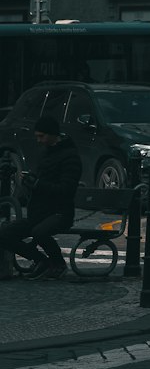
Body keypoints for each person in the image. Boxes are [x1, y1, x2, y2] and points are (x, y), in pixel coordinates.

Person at [0, 114, 82, 280]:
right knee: (4, 234)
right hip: (39, 213)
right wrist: (30, 183)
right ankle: (41, 261)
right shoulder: (46, 153)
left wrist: (38, 184)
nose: (39, 140)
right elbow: (41, 181)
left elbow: (66, 189)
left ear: (53, 134)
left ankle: (58, 263)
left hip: (60, 213)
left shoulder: (70, 157)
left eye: (41, 136)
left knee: (39, 232)